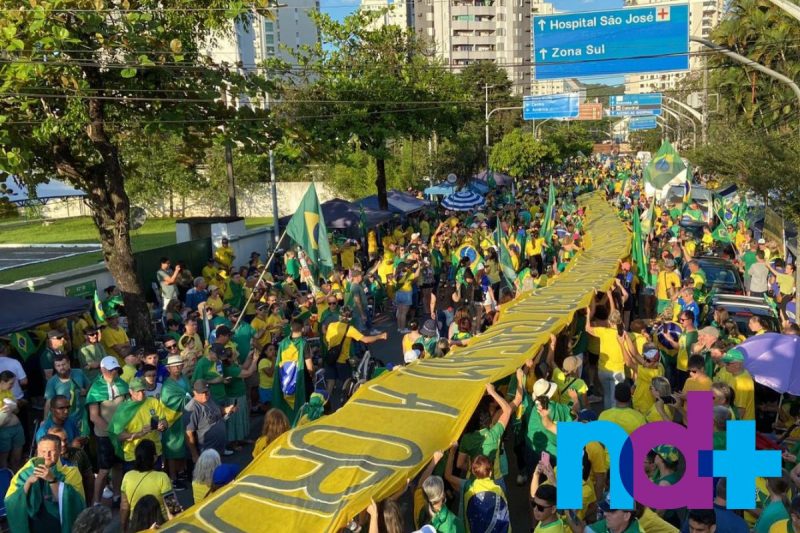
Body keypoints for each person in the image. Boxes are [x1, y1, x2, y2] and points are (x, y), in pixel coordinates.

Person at [5, 434, 85, 533]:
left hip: (59, 524)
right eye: (43, 451)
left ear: (60, 451)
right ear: (37, 451)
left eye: (51, 451)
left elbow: (76, 502)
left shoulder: (70, 471)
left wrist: (52, 480)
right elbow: (11, 500)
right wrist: (28, 483)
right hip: (33, 525)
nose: (47, 455)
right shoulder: (26, 471)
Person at [86, 355, 128, 506]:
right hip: (104, 435)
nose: (113, 372)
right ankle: (96, 502)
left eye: (115, 369)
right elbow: (94, 417)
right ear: (102, 369)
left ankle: (117, 495)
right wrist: (113, 432)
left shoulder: (123, 384)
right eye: (110, 370)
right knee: (104, 470)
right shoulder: (96, 388)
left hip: (120, 433)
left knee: (118, 466)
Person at [323, 307, 387, 402]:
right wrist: (380, 336)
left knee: (330, 383)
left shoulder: (331, 325)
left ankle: (325, 404)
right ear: (350, 318)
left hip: (330, 358)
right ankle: (346, 403)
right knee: (347, 384)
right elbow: (365, 340)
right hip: (342, 361)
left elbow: (327, 339)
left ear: (339, 316)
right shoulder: (350, 329)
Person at [444, 447, 510, 533]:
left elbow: (447, 476)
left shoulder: (468, 487)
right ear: (490, 472)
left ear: (473, 471)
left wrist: (452, 453)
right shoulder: (498, 489)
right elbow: (504, 516)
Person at [108, 377, 168, 470]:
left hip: (154, 453)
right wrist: (139, 434)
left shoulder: (153, 402)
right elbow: (118, 436)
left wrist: (162, 426)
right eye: (138, 391)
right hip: (133, 456)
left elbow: (164, 421)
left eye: (143, 390)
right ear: (131, 391)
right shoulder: (124, 410)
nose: (141, 394)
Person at [120, 440, 174, 532]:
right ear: (154, 457)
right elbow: (172, 508)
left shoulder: (127, 476)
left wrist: (123, 529)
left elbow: (124, 508)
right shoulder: (162, 477)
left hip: (136, 524)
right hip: (160, 525)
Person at [273, 318, 315, 421]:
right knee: (302, 407)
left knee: (287, 406)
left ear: (291, 328)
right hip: (301, 380)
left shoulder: (283, 343)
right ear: (303, 329)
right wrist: (313, 375)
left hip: (285, 381)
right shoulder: (303, 343)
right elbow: (309, 366)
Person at [184, 379, 236, 460]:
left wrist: (227, 409)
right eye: (202, 393)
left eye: (207, 392)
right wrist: (195, 455)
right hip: (206, 453)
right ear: (195, 392)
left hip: (218, 450)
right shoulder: (192, 408)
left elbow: (218, 410)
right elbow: (189, 434)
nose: (205, 395)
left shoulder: (209, 399)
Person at [47, 426, 94, 512]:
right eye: (59, 441)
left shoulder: (78, 453)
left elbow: (89, 478)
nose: (63, 444)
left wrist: (88, 504)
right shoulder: (46, 458)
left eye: (65, 440)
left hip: (77, 500)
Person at [161, 354, 190, 491]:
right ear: (169, 369)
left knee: (185, 444)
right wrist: (187, 398)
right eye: (174, 366)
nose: (178, 368)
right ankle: (173, 478)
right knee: (172, 448)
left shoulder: (184, 378)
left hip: (185, 416)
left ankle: (182, 471)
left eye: (180, 365)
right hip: (172, 420)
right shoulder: (167, 386)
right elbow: (169, 401)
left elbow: (189, 392)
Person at [44, 353, 90, 437]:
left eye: (63, 364)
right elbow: (49, 402)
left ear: (69, 363)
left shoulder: (79, 372)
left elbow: (89, 386)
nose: (61, 367)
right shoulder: (52, 382)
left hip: (81, 415)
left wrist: (86, 391)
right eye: (58, 366)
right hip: (63, 419)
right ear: (55, 367)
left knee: (83, 439)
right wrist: (45, 420)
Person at [714, 347, 755, 420]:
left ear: (738, 364)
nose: (725, 365)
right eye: (725, 362)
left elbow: (740, 411)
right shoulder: (735, 374)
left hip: (743, 423)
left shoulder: (742, 382)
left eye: (728, 363)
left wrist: (729, 425)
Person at [0, 371, 23, 470]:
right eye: (11, 383)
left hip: (17, 428)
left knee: (17, 458)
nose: (12, 386)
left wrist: (14, 407)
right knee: (3, 459)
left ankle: (16, 476)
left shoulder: (8, 392)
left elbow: (17, 411)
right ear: (2, 382)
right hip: (4, 430)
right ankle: (5, 477)